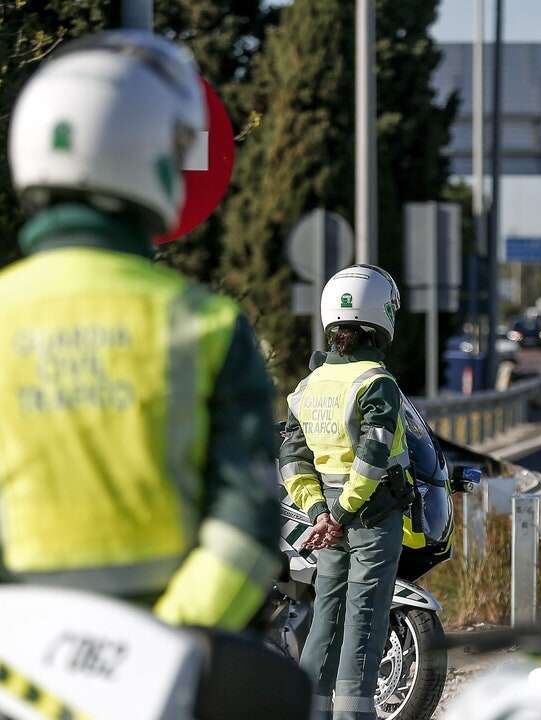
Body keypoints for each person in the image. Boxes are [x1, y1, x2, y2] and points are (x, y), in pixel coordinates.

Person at [0, 30, 281, 630]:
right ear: (148, 157)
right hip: (168, 658)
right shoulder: (206, 323)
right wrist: (168, 640)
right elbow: (248, 518)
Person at [279, 264, 410, 720]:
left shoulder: (307, 387)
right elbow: (372, 458)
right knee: (365, 618)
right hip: (367, 515)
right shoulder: (376, 382)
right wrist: (341, 513)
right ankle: (356, 715)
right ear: (384, 316)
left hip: (326, 519)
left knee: (327, 614)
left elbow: (293, 461)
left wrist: (317, 512)